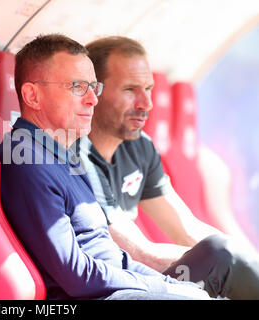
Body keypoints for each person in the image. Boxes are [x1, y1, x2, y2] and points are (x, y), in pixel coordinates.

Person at [0, 33, 210, 300]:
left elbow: (115, 258)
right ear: (33, 95)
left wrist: (171, 286)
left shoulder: (61, 154)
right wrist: (165, 289)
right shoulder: (27, 160)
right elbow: (77, 277)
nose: (92, 100)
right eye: (77, 86)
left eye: (93, 87)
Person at [74, 35, 259, 299]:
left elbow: (187, 228)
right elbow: (138, 253)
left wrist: (245, 263)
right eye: (130, 90)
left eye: (148, 89)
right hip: (111, 289)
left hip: (145, 280)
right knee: (223, 255)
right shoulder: (74, 154)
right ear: (94, 92)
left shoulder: (139, 145)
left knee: (226, 255)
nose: (145, 104)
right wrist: (229, 264)